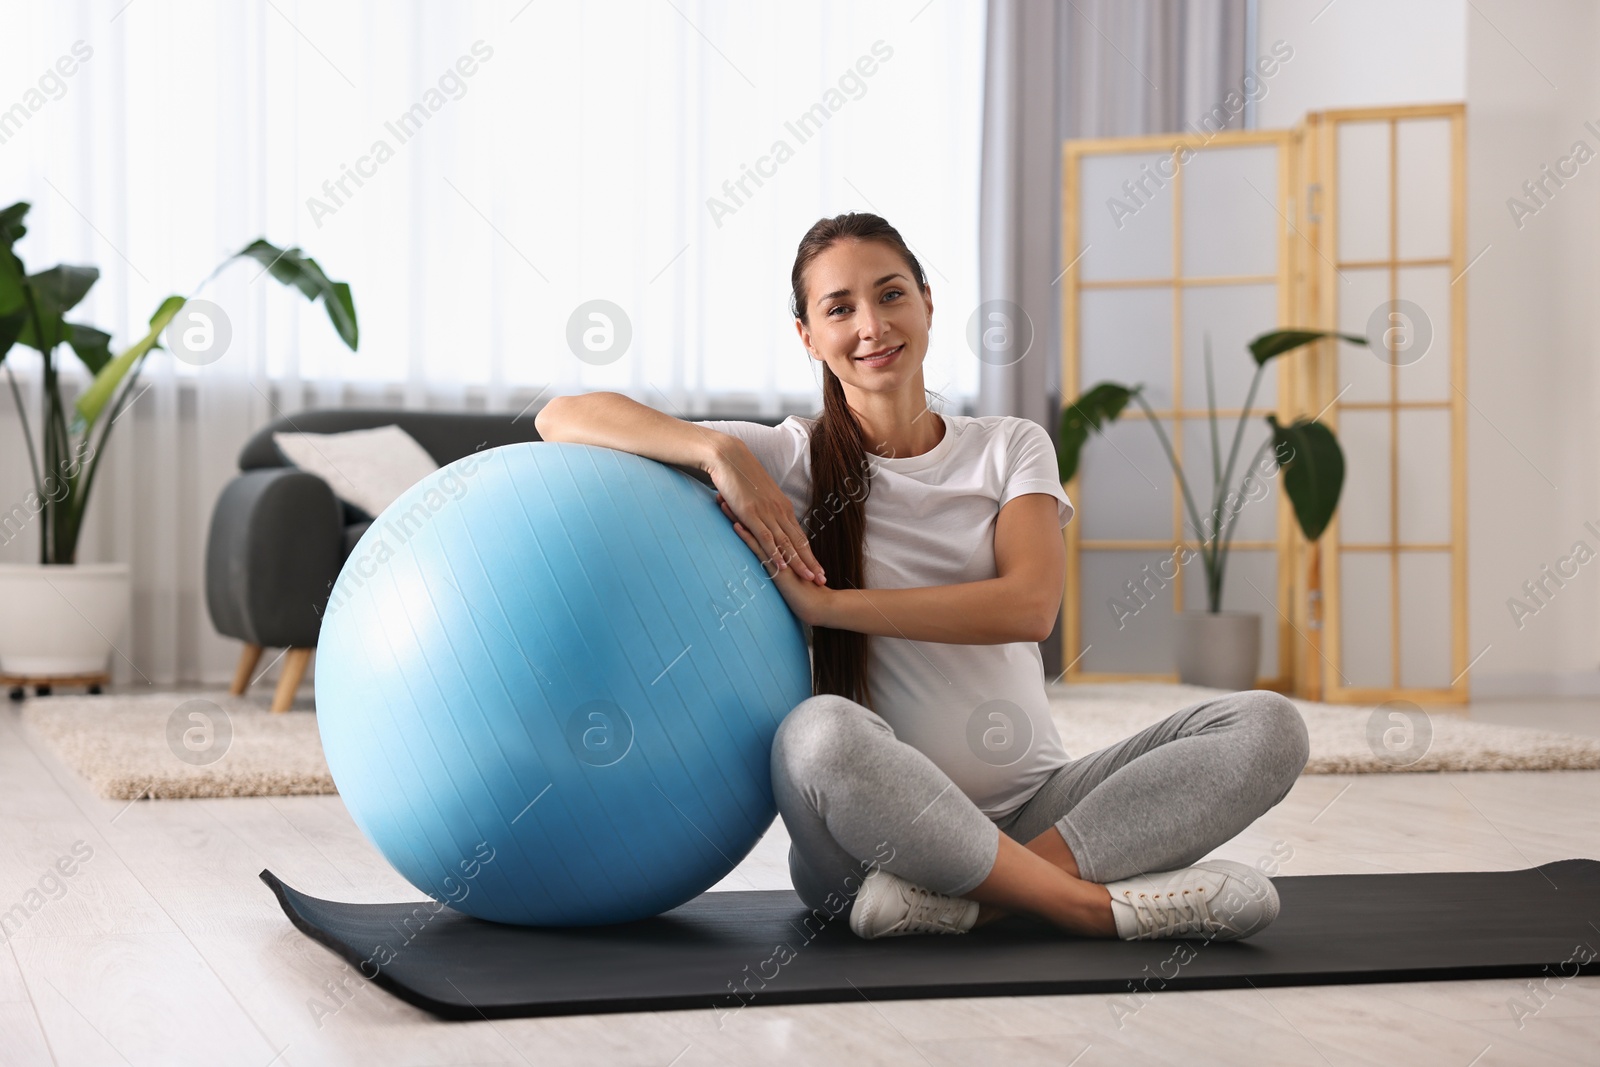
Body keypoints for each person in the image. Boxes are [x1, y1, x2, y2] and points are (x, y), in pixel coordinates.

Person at [535, 211, 1309, 942]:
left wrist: (831, 606)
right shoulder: (791, 459)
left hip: (1039, 810)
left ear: (929, 306)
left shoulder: (1010, 446)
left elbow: (1029, 606)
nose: (871, 325)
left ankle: (988, 900)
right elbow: (561, 416)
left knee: (1269, 725)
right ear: (807, 337)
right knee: (815, 735)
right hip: (869, 851)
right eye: (839, 309)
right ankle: (1088, 908)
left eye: (891, 294)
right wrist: (720, 453)